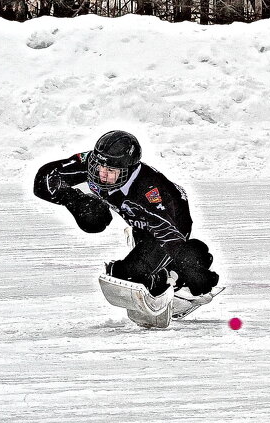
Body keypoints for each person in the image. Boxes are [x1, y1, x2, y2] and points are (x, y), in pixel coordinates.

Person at [33, 130, 221, 320]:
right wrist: (74, 199)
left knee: (128, 276)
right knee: (92, 219)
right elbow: (44, 178)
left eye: (111, 172)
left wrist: (192, 267)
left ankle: (178, 276)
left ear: (127, 171)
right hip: (139, 223)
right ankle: (166, 269)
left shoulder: (149, 192)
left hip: (171, 224)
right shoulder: (95, 162)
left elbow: (168, 234)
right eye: (99, 168)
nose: (102, 176)